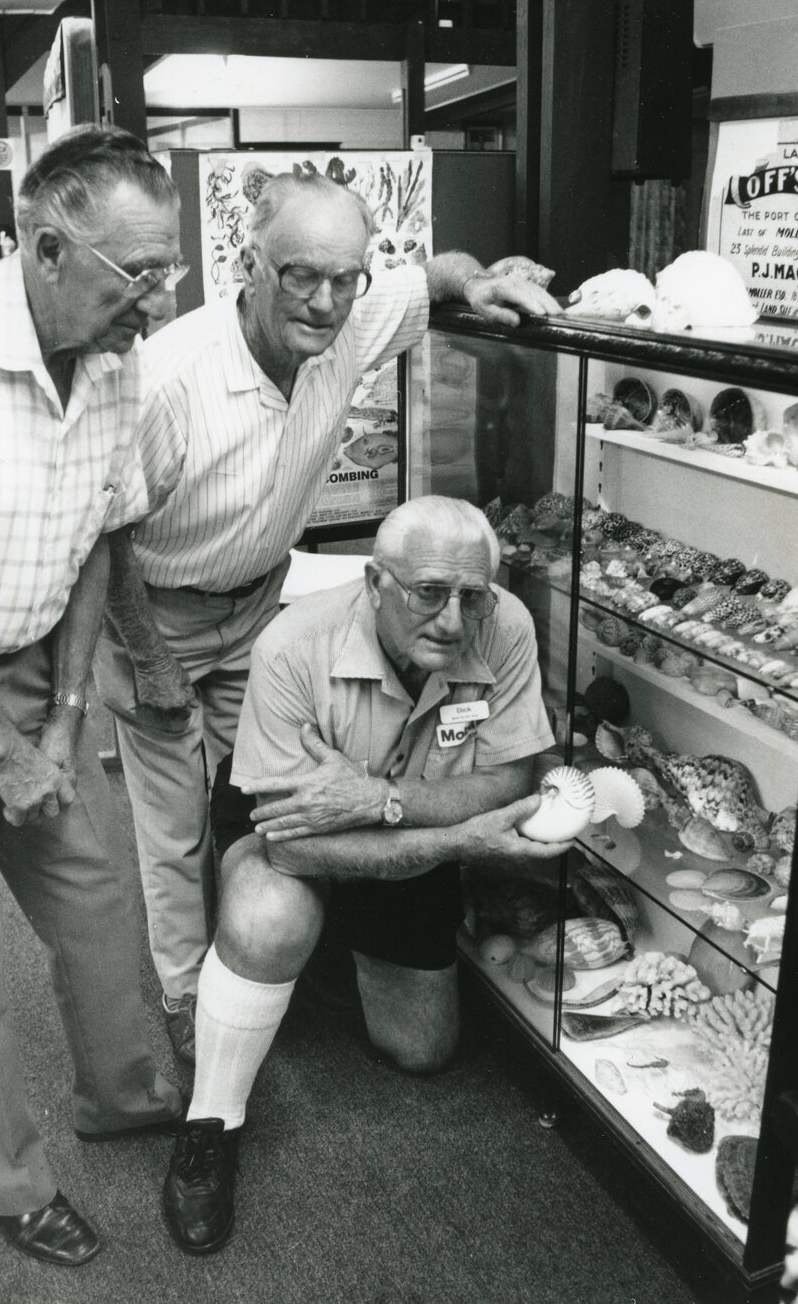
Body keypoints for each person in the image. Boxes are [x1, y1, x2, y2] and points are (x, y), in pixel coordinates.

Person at [94, 170, 563, 1068]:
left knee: (270, 800)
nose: (324, 299)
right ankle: (189, 995)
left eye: (345, 277)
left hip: (260, 604)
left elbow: (432, 277)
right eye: (300, 275)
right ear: (249, 264)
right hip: (155, 610)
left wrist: (473, 281)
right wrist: (147, 657)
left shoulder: (350, 320)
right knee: (174, 819)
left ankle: (280, 942)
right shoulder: (169, 379)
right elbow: (106, 531)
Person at [159, 496, 568, 1254]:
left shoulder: (505, 625)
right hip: (299, 829)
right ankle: (210, 1122)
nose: (452, 619)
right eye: (428, 592)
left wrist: (381, 800)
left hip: (404, 814)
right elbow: (293, 848)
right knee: (268, 916)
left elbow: (509, 779)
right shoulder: (292, 644)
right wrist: (451, 834)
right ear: (378, 581)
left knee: (423, 1049)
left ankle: (332, 945)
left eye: (470, 596)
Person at [0, 126, 186, 1267]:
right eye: (138, 275)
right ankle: (7, 1188)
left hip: (34, 666)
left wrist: (55, 721)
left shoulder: (113, 349)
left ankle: (136, 1095)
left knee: (98, 906)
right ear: (48, 248)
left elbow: (103, 536)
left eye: (169, 273)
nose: (155, 303)